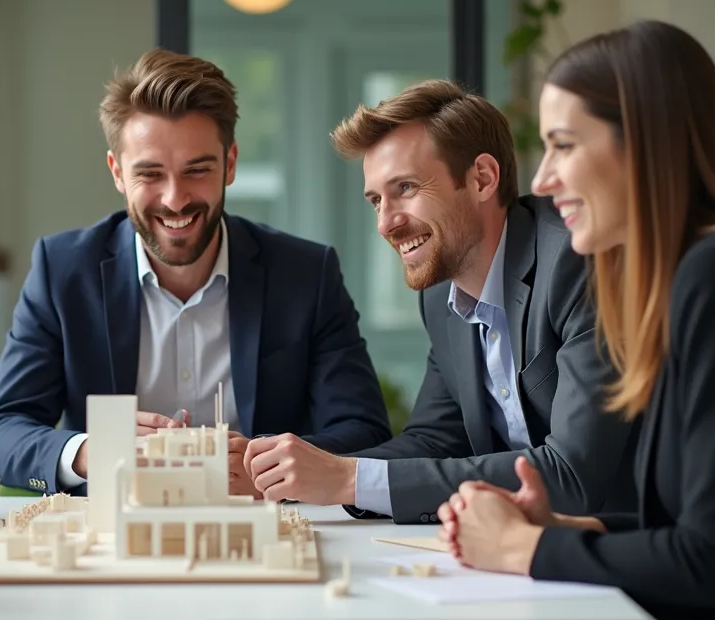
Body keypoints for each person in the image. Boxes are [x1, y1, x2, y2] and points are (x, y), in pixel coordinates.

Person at [437, 20, 715, 618]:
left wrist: (522, 546)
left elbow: (712, 565)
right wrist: (562, 527)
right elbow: (709, 524)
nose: (545, 178)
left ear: (645, 142)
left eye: (565, 144)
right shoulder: (704, 272)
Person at [0, 49, 392, 497]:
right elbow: (1, 432)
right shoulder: (62, 271)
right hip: (109, 541)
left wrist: (267, 467)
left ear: (230, 164)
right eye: (150, 174)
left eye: (197, 170)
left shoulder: (307, 274)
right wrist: (89, 451)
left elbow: (364, 432)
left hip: (261, 535)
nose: (175, 200)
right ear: (117, 172)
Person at [242, 79, 638, 525]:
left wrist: (348, 478)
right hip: (520, 555)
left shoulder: (576, 262)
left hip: (628, 562)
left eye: (406, 188)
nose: (385, 224)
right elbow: (433, 440)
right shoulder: (440, 294)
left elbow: (571, 475)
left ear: (483, 178)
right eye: (376, 200)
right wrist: (286, 470)